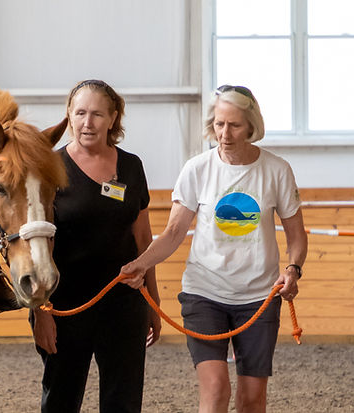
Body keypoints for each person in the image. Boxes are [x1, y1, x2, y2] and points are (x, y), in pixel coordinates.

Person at [120, 85, 308, 413]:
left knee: (251, 399)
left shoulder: (276, 171)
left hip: (259, 299)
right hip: (204, 294)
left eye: (234, 125)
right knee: (217, 388)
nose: (225, 133)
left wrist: (293, 270)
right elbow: (173, 233)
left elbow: (296, 236)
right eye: (219, 124)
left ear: (251, 126)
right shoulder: (197, 169)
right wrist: (139, 263)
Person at [31, 80, 162, 413]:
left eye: (97, 114)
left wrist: (153, 300)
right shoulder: (49, 169)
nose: (87, 123)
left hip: (123, 302)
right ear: (69, 115)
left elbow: (143, 239)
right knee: (60, 399)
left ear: (113, 117)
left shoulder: (132, 166)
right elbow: (37, 246)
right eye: (80, 113)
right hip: (65, 306)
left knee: (124, 401)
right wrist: (41, 311)